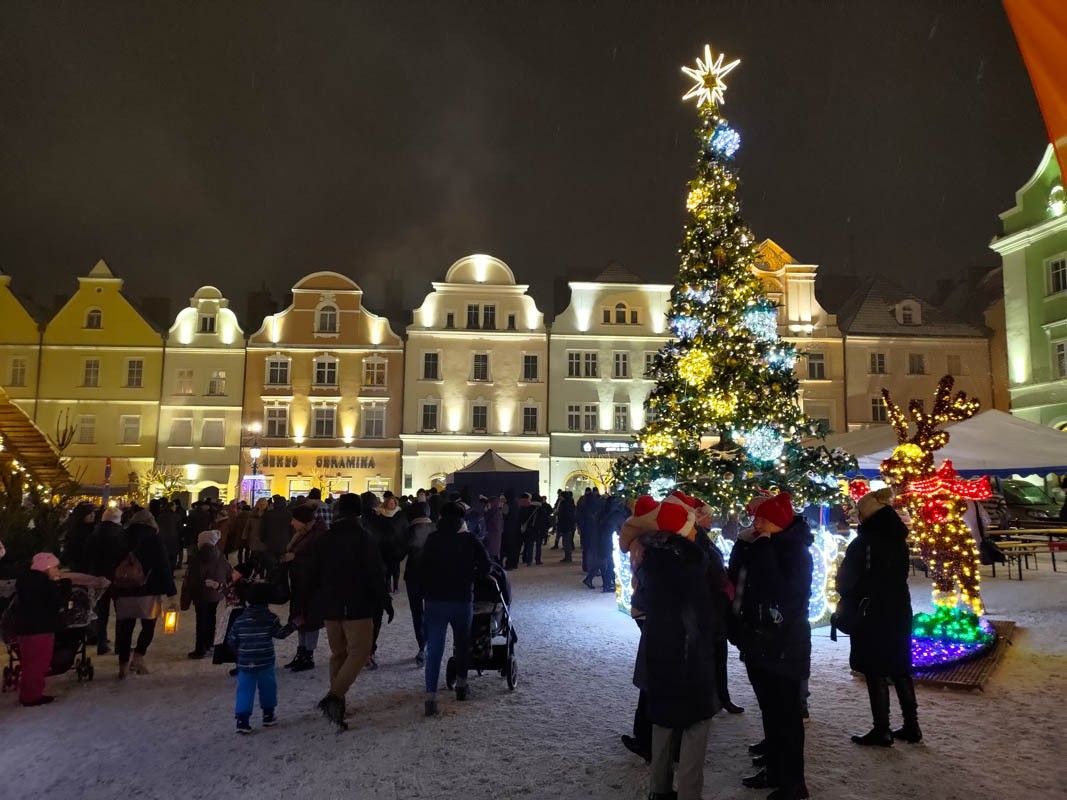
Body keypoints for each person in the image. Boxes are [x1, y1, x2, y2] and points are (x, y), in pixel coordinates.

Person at [631, 514, 719, 800]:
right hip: (692, 656)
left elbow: (638, 607)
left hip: (660, 652)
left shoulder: (649, 564)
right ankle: (689, 793)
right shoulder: (696, 562)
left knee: (663, 722)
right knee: (696, 725)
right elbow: (708, 613)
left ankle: (659, 789)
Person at [733, 492, 812, 800]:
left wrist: (763, 547)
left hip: (784, 644)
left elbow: (780, 591)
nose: (757, 523)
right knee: (771, 711)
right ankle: (776, 769)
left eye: (764, 519)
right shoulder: (765, 543)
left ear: (779, 522)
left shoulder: (794, 551)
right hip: (761, 641)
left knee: (787, 716)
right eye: (757, 518)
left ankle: (793, 784)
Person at [838, 488, 922, 746]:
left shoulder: (865, 542)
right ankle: (912, 725)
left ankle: (881, 729)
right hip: (898, 607)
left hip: (871, 611)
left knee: (874, 669)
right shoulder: (897, 538)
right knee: (899, 667)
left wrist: (848, 596)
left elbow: (847, 579)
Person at [311, 493, 393, 730]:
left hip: (330, 606)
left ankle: (338, 708)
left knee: (338, 654)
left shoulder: (325, 539)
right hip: (357, 605)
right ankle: (334, 696)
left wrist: (318, 601)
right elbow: (375, 574)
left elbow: (314, 573)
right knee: (360, 651)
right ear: (358, 512)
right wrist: (384, 601)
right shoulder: (363, 538)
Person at [420, 501, 490, 716]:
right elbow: (486, 566)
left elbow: (422, 566)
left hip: (435, 600)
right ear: (462, 519)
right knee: (461, 644)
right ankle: (461, 685)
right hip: (461, 599)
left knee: (434, 648)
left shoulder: (433, 539)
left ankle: (430, 697)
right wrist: (471, 578)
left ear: (441, 517)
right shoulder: (470, 539)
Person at [112, 509, 177, 678]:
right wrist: (171, 592)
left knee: (126, 628)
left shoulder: (121, 537)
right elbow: (163, 566)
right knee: (148, 626)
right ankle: (138, 657)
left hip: (124, 589)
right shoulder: (154, 538)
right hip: (149, 590)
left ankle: (123, 665)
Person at [227, 582, 288, 734]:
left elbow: (232, 639)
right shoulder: (270, 618)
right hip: (265, 660)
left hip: (245, 661)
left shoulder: (240, 620)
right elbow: (281, 634)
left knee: (244, 689)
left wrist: (240, 653)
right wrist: (294, 624)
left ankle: (242, 720)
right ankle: (268, 714)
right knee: (268, 687)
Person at [13, 552, 72, 706]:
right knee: (39, 663)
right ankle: (32, 696)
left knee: (29, 663)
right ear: (46, 567)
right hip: (41, 628)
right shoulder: (46, 584)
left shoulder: (25, 581)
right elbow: (56, 604)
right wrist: (64, 590)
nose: (57, 570)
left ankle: (28, 693)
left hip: (25, 628)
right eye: (55, 567)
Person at [282, 503, 326, 672]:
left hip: (313, 586)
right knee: (299, 617)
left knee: (310, 620)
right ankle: (301, 652)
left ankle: (308, 655)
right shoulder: (303, 534)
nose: (291, 522)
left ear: (303, 521)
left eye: (294, 519)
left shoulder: (318, 536)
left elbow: (318, 561)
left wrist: (295, 558)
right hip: (300, 583)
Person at [180, 529, 232, 659]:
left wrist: (188, 594)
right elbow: (228, 571)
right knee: (211, 617)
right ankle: (209, 644)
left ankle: (200, 649)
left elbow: (193, 577)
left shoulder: (198, 556)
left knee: (201, 620)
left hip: (201, 593)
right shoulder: (220, 555)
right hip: (215, 593)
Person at [84, 505, 126, 655]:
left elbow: (87, 554)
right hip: (117, 577)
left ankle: (101, 642)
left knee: (101, 611)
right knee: (121, 611)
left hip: (98, 577)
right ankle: (121, 644)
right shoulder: (121, 534)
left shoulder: (95, 533)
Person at [405, 502, 436, 665]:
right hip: (433, 576)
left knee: (417, 612)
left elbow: (400, 551)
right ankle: (430, 643)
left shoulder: (410, 530)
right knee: (433, 610)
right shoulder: (436, 528)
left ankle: (422, 645)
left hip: (413, 576)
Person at [260, 495, 292, 563]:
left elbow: (263, 528)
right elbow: (291, 529)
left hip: (270, 542)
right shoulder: (289, 514)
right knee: (283, 563)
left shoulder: (268, 514)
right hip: (285, 542)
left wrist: (262, 539)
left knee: (271, 563)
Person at [156, 500, 183, 572]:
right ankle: (171, 572)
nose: (175, 507)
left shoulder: (161, 516)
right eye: (174, 506)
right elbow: (180, 529)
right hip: (174, 539)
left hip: (163, 539)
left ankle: (165, 572)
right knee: (173, 557)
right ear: (171, 507)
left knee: (164, 556)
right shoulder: (177, 516)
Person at [518, 493, 543, 566]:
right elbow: (544, 519)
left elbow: (523, 517)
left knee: (530, 545)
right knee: (538, 545)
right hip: (539, 529)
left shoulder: (528, 507)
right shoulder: (541, 508)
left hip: (530, 529)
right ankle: (538, 560)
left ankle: (529, 561)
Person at [555, 490, 576, 563]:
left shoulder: (565, 504)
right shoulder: (568, 503)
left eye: (560, 496)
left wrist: (559, 515)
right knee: (566, 541)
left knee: (566, 542)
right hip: (567, 525)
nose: (559, 497)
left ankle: (568, 557)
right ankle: (567, 557)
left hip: (566, 525)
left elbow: (565, 515)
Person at [484, 494, 504, 561]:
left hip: (493, 535)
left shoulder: (495, 512)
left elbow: (495, 524)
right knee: (493, 553)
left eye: (490, 502)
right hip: (495, 535)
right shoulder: (495, 511)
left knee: (492, 554)